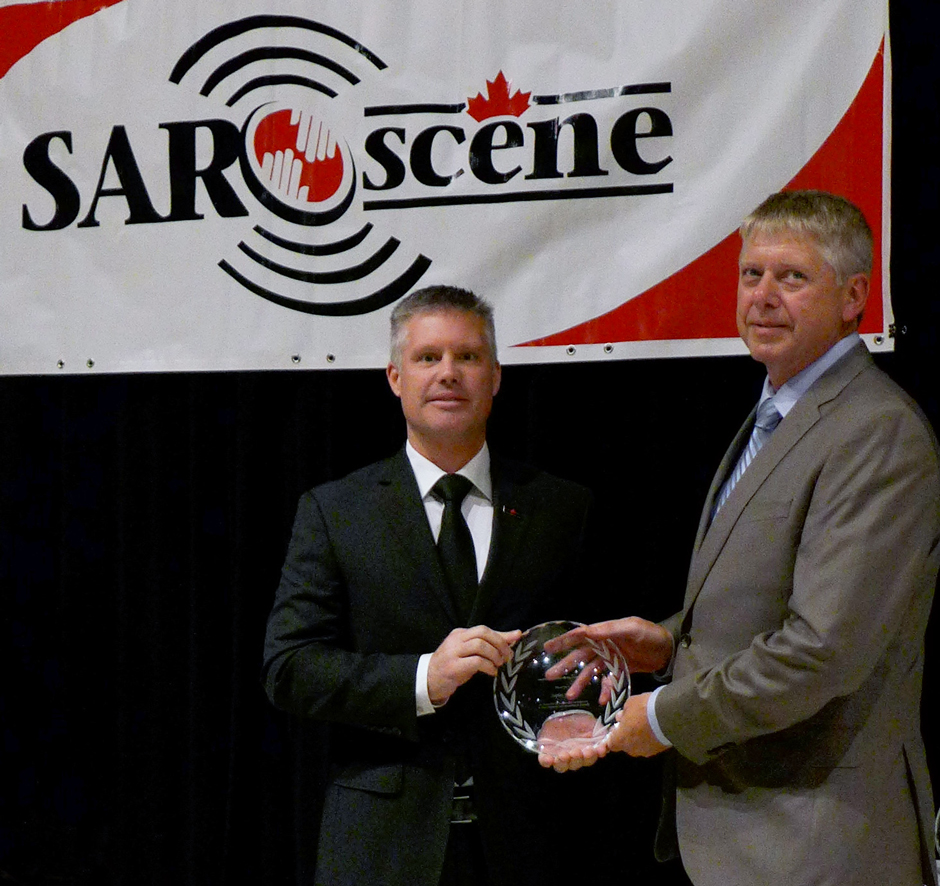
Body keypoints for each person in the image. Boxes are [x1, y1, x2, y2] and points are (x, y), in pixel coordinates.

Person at [540, 190, 940, 886]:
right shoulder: (778, 412)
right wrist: (668, 641)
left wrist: (662, 716)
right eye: (751, 275)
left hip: (821, 841)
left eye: (792, 277)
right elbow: (771, 594)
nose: (762, 297)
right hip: (752, 836)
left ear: (855, 297)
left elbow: (821, 651)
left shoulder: (876, 431)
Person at [262, 285, 598, 886]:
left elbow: (594, 653)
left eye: (467, 358)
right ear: (395, 376)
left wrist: (581, 713)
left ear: (495, 377)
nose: (449, 373)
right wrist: (422, 679)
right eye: (428, 357)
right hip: (383, 848)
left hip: (532, 838)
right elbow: (289, 668)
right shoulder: (336, 512)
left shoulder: (560, 508)